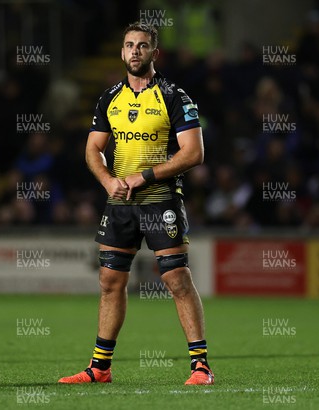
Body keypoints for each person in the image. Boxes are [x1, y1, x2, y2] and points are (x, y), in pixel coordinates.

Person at [58, 22, 213, 385]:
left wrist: (144, 176)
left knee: (176, 278)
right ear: (122, 52)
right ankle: (100, 367)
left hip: (160, 201)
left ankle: (200, 366)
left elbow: (194, 153)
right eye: (129, 45)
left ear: (154, 53)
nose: (135, 52)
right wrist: (109, 181)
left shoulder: (175, 97)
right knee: (110, 279)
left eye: (142, 46)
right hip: (121, 205)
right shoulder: (109, 98)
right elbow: (92, 149)